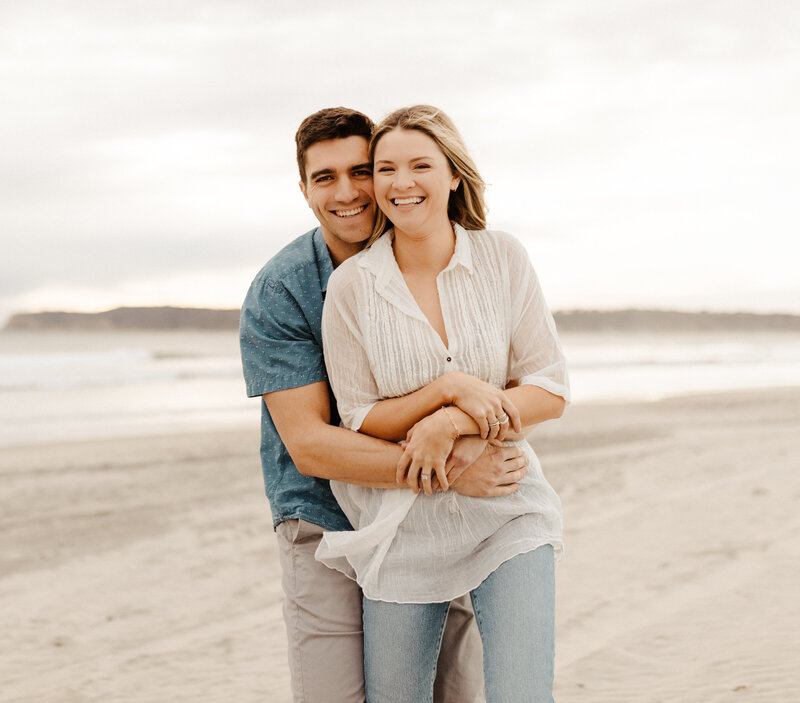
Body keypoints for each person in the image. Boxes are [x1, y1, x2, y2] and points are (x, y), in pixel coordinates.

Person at [239, 107, 531, 703]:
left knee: (453, 693)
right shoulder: (283, 290)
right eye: (324, 178)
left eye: (361, 171)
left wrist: (458, 435)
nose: (347, 193)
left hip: (427, 519)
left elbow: (513, 380)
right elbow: (311, 445)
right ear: (303, 190)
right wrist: (452, 470)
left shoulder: (439, 256)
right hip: (324, 517)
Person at [317, 105, 570, 702]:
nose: (401, 183)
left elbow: (549, 388)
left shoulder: (502, 258)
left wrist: (450, 423)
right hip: (403, 527)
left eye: (420, 165)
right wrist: (444, 394)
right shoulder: (352, 286)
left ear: (453, 175)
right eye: (386, 169)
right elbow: (359, 416)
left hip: (510, 511)